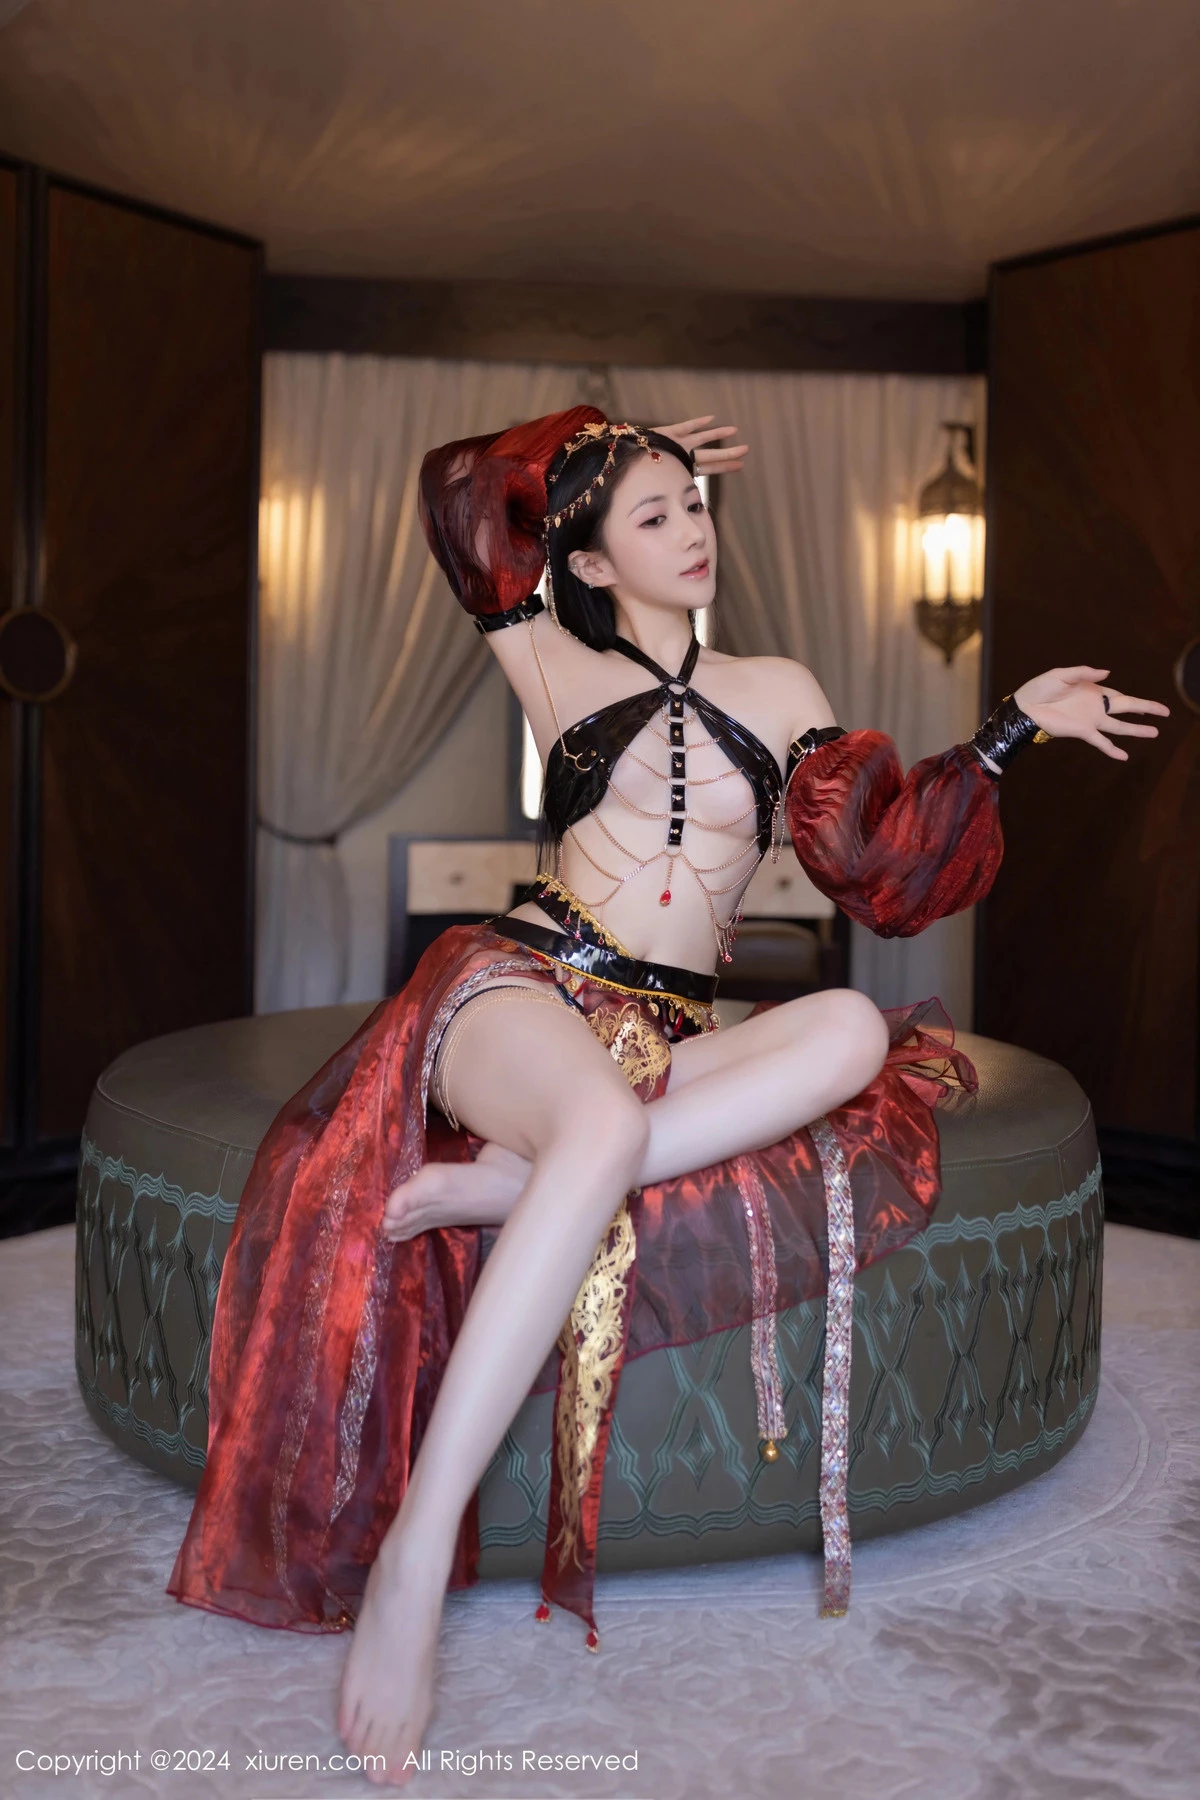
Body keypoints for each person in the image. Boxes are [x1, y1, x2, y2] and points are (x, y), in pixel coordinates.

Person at [167, 405, 1168, 1787]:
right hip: (515, 990)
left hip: (659, 1035)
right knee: (601, 1120)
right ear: (587, 560)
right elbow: (459, 491)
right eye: (654, 513)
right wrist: (592, 436)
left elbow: (884, 869)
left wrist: (1007, 736)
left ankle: (521, 1183)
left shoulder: (778, 685)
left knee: (849, 1030)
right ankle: (413, 1553)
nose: (693, 528)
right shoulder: (545, 651)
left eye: (695, 503)